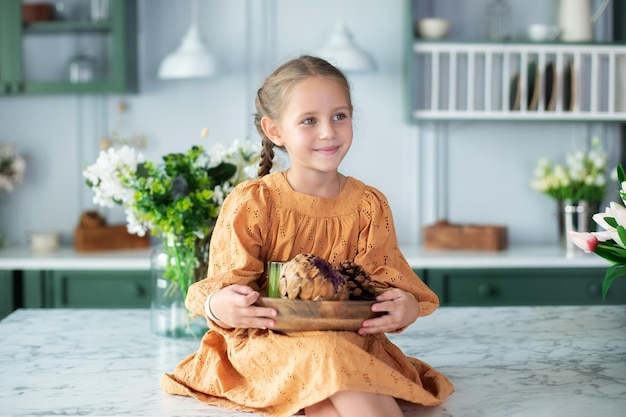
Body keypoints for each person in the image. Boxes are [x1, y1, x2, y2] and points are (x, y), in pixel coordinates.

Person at [160, 55, 454, 417]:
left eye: (339, 116)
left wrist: (404, 307)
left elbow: (383, 282)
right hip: (266, 344)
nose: (328, 131)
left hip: (349, 339)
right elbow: (221, 286)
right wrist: (216, 305)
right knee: (329, 360)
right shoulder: (253, 201)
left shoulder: (369, 204)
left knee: (330, 369)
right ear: (275, 131)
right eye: (309, 121)